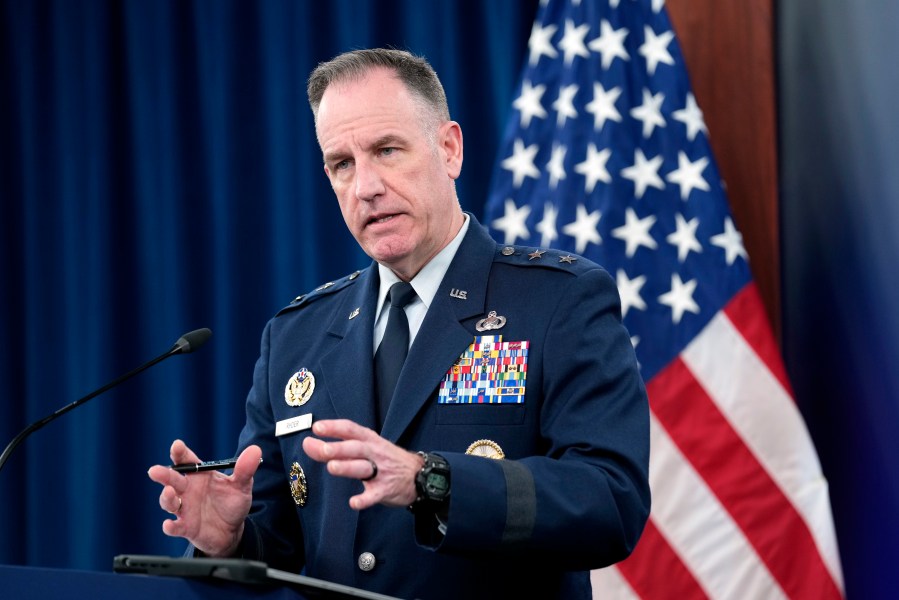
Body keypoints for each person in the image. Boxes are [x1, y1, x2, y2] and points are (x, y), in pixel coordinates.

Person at [148, 48, 650, 600]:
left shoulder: (558, 301)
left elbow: (609, 501)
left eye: (387, 151)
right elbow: (285, 540)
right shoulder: (297, 336)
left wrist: (428, 481)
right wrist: (232, 540)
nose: (366, 186)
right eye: (342, 164)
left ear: (450, 149)